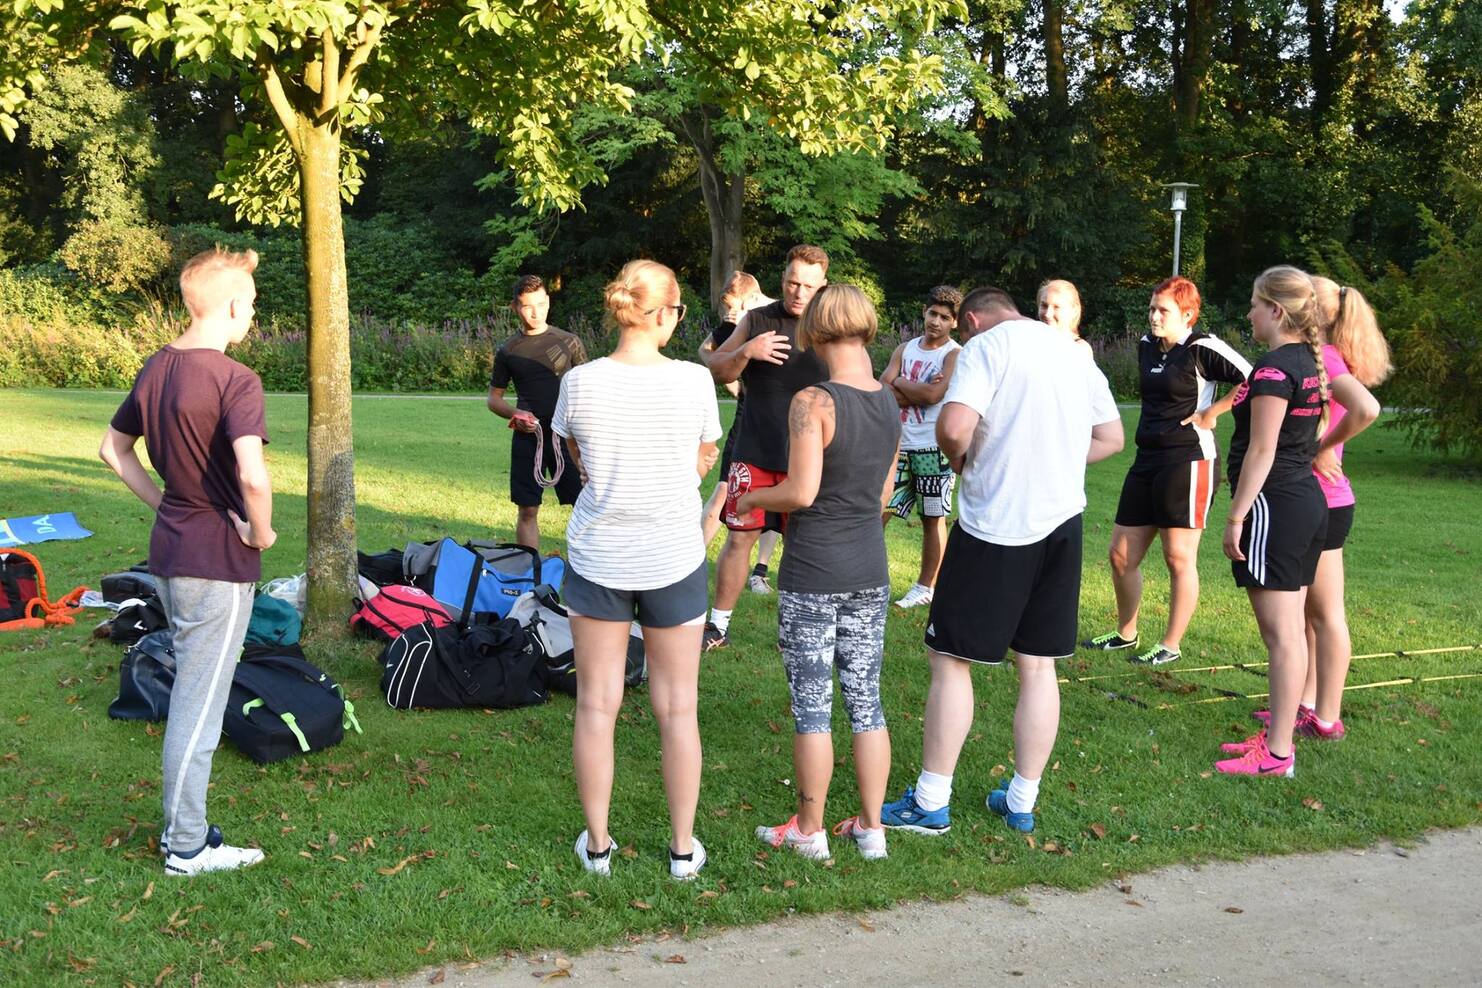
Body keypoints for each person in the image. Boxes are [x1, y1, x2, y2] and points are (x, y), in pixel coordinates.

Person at [880, 288, 1122, 836]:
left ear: (972, 320)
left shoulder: (987, 348)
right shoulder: (1072, 350)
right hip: (1063, 524)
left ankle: (931, 800)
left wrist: (964, 460)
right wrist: (1052, 456)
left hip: (997, 524)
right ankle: (1021, 800)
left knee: (950, 660)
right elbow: (1111, 437)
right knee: (1038, 666)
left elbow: (952, 427)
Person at [99, 246, 274, 876]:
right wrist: (262, 534)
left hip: (171, 554)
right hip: (217, 563)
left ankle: (187, 829)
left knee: (196, 696)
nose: (251, 314)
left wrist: (165, 501)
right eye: (250, 304)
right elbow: (253, 477)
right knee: (198, 708)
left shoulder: (157, 367)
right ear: (230, 306)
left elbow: (111, 449)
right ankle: (187, 845)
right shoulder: (236, 380)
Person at [552, 260, 721, 879]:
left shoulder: (581, 382)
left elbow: (577, 457)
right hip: (673, 554)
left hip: (600, 554)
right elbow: (705, 455)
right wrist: (672, 480)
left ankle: (598, 846)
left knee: (597, 704)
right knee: (678, 707)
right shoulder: (695, 381)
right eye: (677, 311)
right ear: (662, 313)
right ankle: (682, 851)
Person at [736, 285, 901, 861]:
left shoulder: (814, 401)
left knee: (813, 704)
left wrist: (753, 497)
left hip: (813, 571)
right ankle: (872, 830)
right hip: (869, 568)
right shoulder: (888, 399)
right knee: (866, 700)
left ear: (816, 332)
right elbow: (883, 494)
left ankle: (809, 830)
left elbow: (801, 491)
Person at [1083, 277, 1251, 666]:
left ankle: (1171, 644)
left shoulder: (1201, 348)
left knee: (1178, 557)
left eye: (1163, 311)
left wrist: (1213, 412)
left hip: (1189, 460)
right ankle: (1126, 633)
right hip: (1146, 461)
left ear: (1187, 314)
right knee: (1120, 556)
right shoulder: (1145, 345)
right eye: (1152, 308)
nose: (1154, 316)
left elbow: (1254, 377)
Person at [1249, 275, 1388, 740]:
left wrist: (1320, 447)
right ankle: (1305, 703)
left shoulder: (1320, 358)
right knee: (1308, 615)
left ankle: (1325, 715)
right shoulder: (1321, 358)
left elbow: (1366, 410)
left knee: (1324, 616)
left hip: (1319, 498)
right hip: (1320, 499)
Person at [1215, 265, 1330, 777]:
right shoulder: (1309, 361)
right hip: (1305, 501)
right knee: (1291, 632)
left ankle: (1278, 754)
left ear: (1276, 311)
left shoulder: (1273, 370)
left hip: (1275, 507)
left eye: (1255, 304)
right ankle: (1278, 738)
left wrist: (1236, 515)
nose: (1249, 313)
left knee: (1282, 637)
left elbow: (1262, 449)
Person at [702, 246, 830, 650]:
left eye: (809, 285)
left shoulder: (831, 325)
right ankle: (717, 626)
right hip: (755, 450)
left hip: (808, 459)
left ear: (822, 285)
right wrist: (746, 351)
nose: (798, 292)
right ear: (783, 277)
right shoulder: (757, 319)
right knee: (740, 537)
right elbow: (716, 366)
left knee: (803, 544)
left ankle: (798, 629)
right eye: (793, 281)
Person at [487, 275, 587, 551]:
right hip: (528, 439)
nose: (535, 312)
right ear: (515, 308)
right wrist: (516, 414)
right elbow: (494, 400)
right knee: (528, 510)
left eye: (541, 304)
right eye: (527, 306)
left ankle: (586, 571)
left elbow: (586, 389)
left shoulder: (569, 342)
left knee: (584, 505)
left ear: (548, 301)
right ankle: (529, 572)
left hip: (567, 439)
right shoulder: (508, 350)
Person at [880, 285, 963, 609]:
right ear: (924, 313)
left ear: (954, 322)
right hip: (897, 445)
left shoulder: (953, 354)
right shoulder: (905, 348)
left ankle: (925, 586)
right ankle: (873, 580)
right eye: (932, 314)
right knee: (879, 511)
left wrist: (900, 383)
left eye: (944, 317)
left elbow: (932, 397)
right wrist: (907, 385)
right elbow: (882, 389)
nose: (936, 322)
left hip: (933, 448)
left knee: (932, 518)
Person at [698, 271, 781, 592]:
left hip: (784, 420)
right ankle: (692, 559)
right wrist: (736, 384)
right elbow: (706, 353)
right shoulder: (738, 324)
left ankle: (760, 571)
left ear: (749, 299)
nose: (729, 316)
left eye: (733, 308)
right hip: (749, 416)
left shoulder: (782, 314)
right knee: (723, 488)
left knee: (776, 497)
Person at [1037, 279, 1094, 355]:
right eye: (1044, 305)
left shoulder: (1079, 349)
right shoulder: (1032, 341)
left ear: (1074, 310)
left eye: (1056, 307)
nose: (1048, 314)